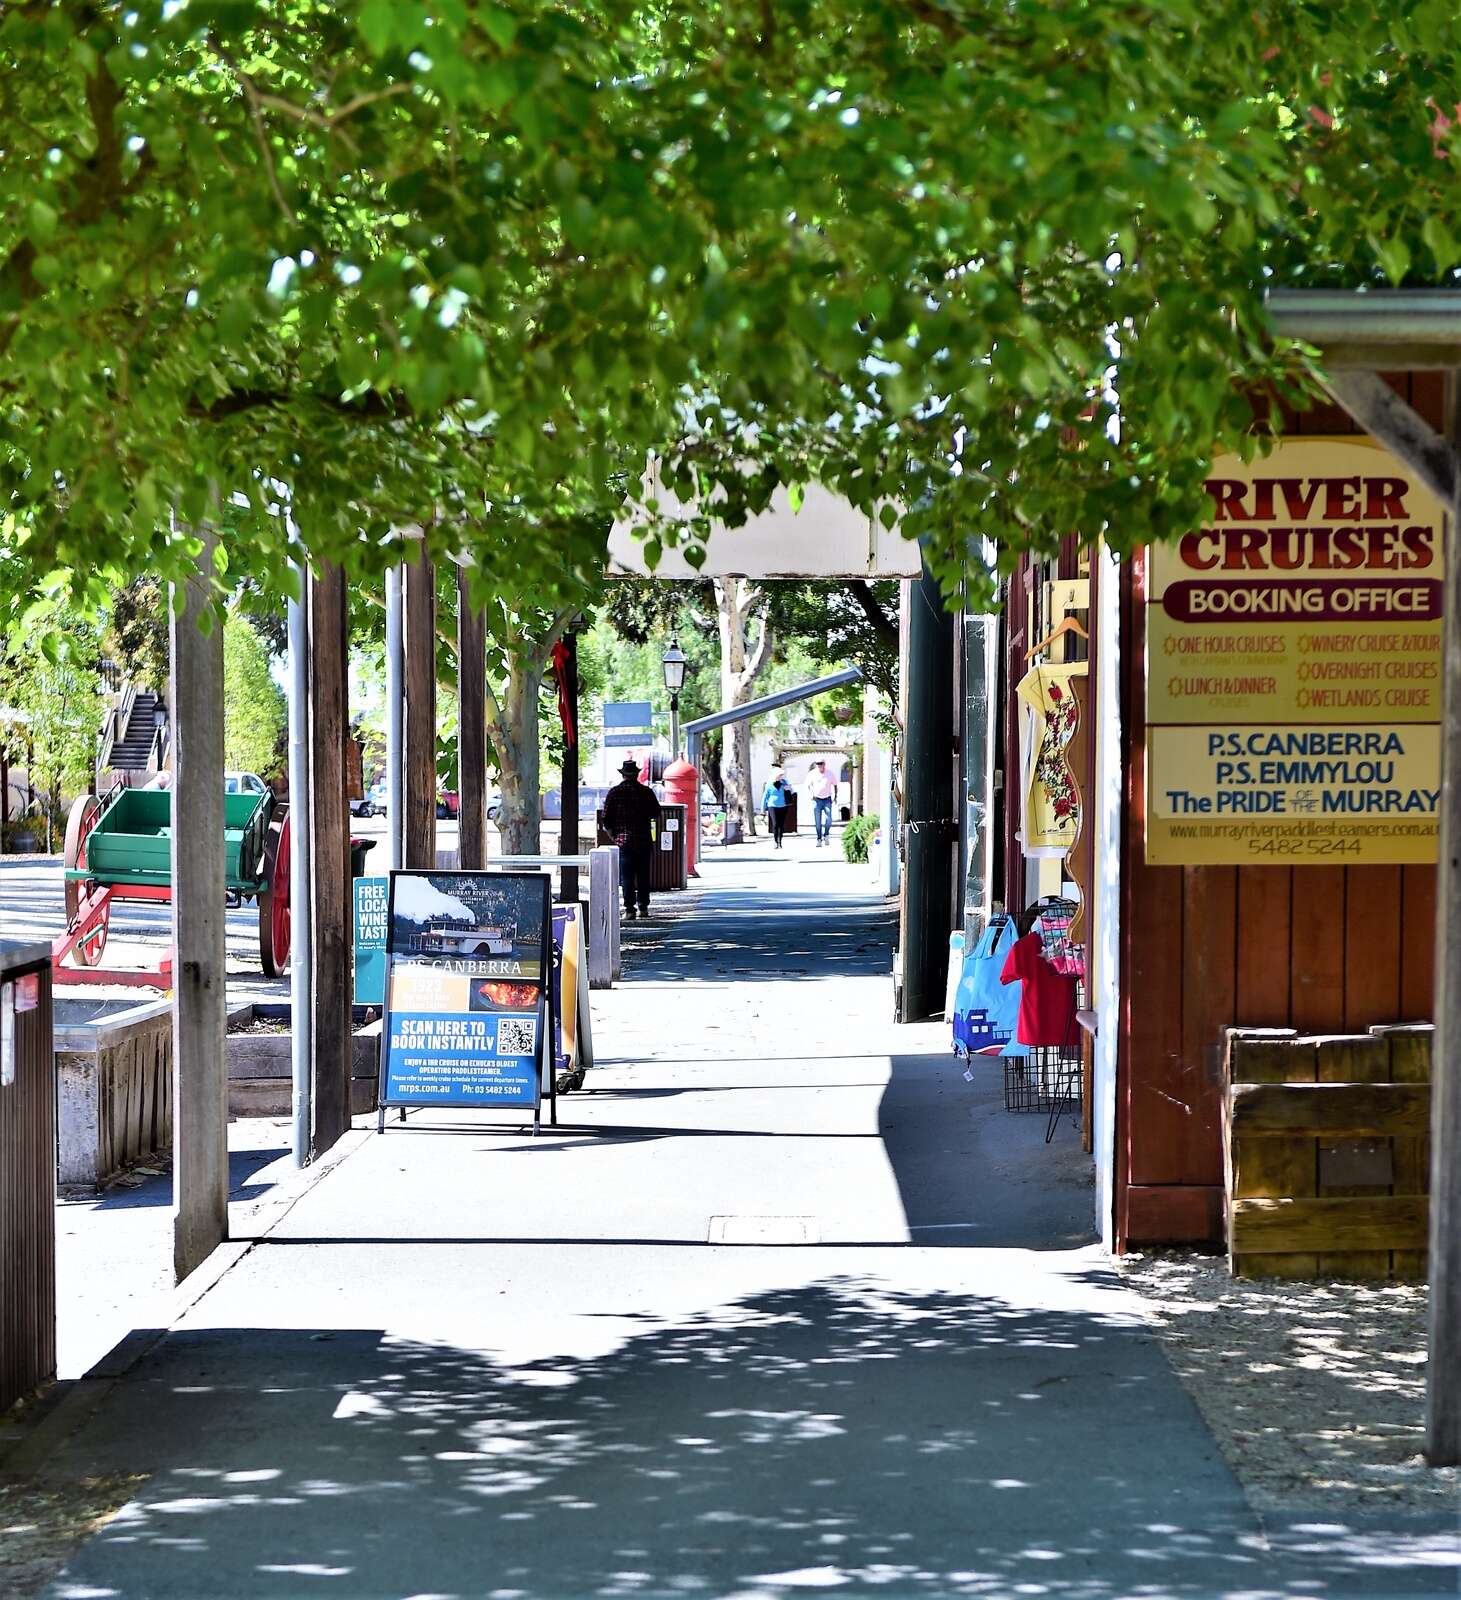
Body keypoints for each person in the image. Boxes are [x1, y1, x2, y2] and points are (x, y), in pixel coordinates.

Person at [603, 758, 660, 921]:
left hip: (624, 841)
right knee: (643, 874)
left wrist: (614, 835)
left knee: (626, 876)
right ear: (636, 774)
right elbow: (655, 813)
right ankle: (643, 907)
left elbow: (606, 818)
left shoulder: (614, 792)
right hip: (643, 839)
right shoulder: (646, 792)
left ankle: (629, 910)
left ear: (623, 775)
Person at [805, 757, 838, 847]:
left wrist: (835, 796)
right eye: (818, 764)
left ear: (824, 764)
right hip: (817, 799)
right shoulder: (812, 774)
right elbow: (808, 785)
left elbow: (835, 785)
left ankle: (826, 834)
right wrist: (811, 794)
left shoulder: (830, 773)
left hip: (827, 799)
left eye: (821, 763)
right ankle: (819, 838)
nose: (820, 765)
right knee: (817, 821)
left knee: (829, 819)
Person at [762, 767, 791, 848]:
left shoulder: (784, 782)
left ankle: (780, 841)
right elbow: (765, 796)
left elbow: (791, 791)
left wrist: (788, 789)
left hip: (783, 805)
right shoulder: (769, 784)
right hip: (772, 805)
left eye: (781, 775)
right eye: (779, 775)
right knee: (775, 824)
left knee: (781, 825)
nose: (781, 776)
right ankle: (775, 840)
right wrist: (763, 808)